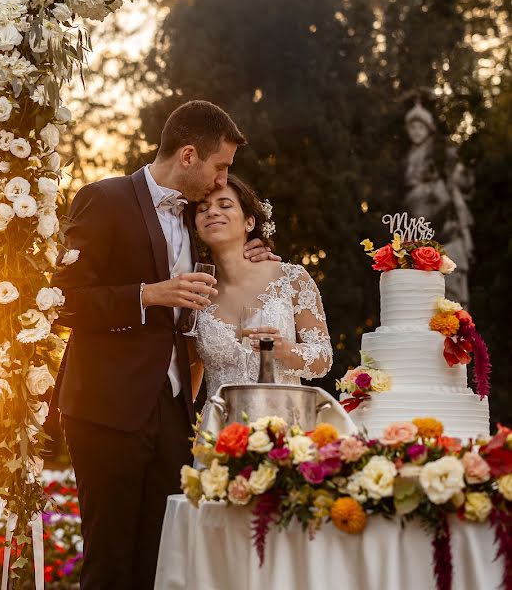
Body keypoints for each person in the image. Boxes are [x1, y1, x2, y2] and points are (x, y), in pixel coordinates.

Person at [51, 101, 277, 590]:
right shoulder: (103, 199)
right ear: (190, 156)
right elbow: (61, 298)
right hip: (106, 408)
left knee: (162, 561)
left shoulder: (197, 222)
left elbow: (232, 258)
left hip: (175, 413)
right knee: (110, 563)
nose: (222, 182)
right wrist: (145, 295)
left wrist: (251, 253)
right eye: (221, 167)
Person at [191, 174, 332, 404]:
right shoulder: (196, 292)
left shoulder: (291, 278)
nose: (212, 212)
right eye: (202, 209)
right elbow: (190, 369)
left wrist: (285, 350)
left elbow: (323, 359)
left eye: (225, 205)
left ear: (250, 222)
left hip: (282, 424)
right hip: (221, 428)